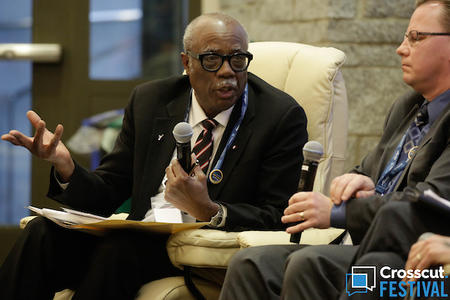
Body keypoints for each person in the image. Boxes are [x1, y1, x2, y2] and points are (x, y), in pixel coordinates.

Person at [0, 13, 308, 299]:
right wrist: (66, 167)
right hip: (143, 231)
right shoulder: (151, 100)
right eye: (213, 59)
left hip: (197, 245)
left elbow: (279, 215)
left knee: (118, 250)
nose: (228, 71)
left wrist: (209, 208)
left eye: (238, 59)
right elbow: (110, 189)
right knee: (40, 234)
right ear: (187, 63)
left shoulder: (279, 117)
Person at [219, 1, 450, 299]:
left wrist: (340, 212)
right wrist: (358, 184)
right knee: (250, 263)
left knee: (311, 264)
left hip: (408, 259)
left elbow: (429, 204)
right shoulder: (408, 106)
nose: (401, 48)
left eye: (416, 37)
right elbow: (366, 172)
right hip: (367, 244)